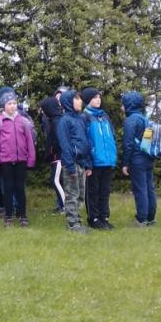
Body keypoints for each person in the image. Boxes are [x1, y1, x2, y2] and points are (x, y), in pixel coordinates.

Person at [0, 89, 37, 227]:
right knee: (8, 188)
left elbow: (29, 141)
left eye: (14, 103)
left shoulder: (23, 121)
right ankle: (8, 216)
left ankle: (23, 216)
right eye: (9, 103)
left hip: (21, 159)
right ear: (4, 106)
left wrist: (31, 159)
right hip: (5, 161)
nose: (12, 106)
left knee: (20, 188)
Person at [56, 87, 93, 233]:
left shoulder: (82, 118)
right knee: (72, 194)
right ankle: (72, 224)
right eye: (76, 99)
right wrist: (70, 165)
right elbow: (64, 144)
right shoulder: (64, 121)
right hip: (71, 162)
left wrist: (88, 163)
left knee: (81, 194)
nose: (80, 101)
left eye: (80, 98)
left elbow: (86, 142)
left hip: (82, 163)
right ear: (68, 102)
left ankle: (77, 220)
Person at [83, 87, 118, 229]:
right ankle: (94, 218)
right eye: (94, 97)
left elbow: (112, 136)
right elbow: (84, 141)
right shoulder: (85, 116)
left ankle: (104, 217)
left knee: (105, 191)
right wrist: (88, 162)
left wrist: (113, 156)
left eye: (99, 97)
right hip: (94, 161)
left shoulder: (105, 116)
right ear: (88, 100)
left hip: (107, 160)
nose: (98, 100)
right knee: (93, 191)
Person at [121, 90, 158, 226]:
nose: (121, 106)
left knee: (140, 189)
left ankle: (141, 219)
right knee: (149, 188)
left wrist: (125, 163)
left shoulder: (131, 120)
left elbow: (128, 143)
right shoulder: (145, 119)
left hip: (137, 159)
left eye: (123, 103)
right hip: (148, 157)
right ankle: (151, 217)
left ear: (129, 104)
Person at [39, 87, 66, 213]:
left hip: (58, 156)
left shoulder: (57, 122)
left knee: (56, 181)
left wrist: (51, 152)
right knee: (58, 181)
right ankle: (62, 205)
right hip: (57, 156)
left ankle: (65, 206)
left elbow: (57, 141)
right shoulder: (55, 120)